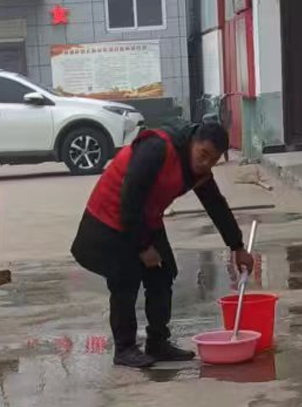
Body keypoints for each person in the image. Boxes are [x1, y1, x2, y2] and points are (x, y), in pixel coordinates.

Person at [71, 120, 256, 369]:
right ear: (192, 142)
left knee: (163, 272)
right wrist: (144, 247)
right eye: (203, 154)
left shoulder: (197, 170)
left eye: (213, 160)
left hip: (145, 217)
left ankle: (158, 342)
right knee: (125, 279)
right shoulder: (157, 148)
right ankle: (124, 348)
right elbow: (130, 198)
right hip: (111, 218)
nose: (205, 164)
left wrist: (237, 246)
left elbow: (215, 203)